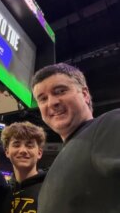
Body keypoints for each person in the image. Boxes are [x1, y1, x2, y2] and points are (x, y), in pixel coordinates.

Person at [31, 62, 120, 213]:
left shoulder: (108, 124)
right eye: (43, 99)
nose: (52, 102)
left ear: (84, 94)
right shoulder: (63, 157)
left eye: (60, 91)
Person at [0, 121, 47, 212]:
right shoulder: (3, 191)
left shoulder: (50, 188)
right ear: (7, 152)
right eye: (16, 145)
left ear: (39, 153)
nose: (23, 150)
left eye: (29, 145)